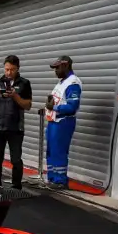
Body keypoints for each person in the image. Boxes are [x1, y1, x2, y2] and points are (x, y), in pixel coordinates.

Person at [0, 54, 34, 189]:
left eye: (12, 69)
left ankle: (16, 186)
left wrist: (15, 96)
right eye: (6, 69)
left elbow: (28, 105)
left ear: (17, 68)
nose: (8, 72)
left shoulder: (24, 83)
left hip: (15, 128)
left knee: (16, 159)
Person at [43, 55, 81, 189]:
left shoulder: (73, 83)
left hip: (64, 122)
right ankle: (52, 178)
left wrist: (53, 107)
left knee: (59, 151)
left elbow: (72, 107)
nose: (55, 71)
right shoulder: (61, 82)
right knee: (51, 151)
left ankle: (60, 181)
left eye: (57, 68)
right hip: (54, 122)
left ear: (65, 66)